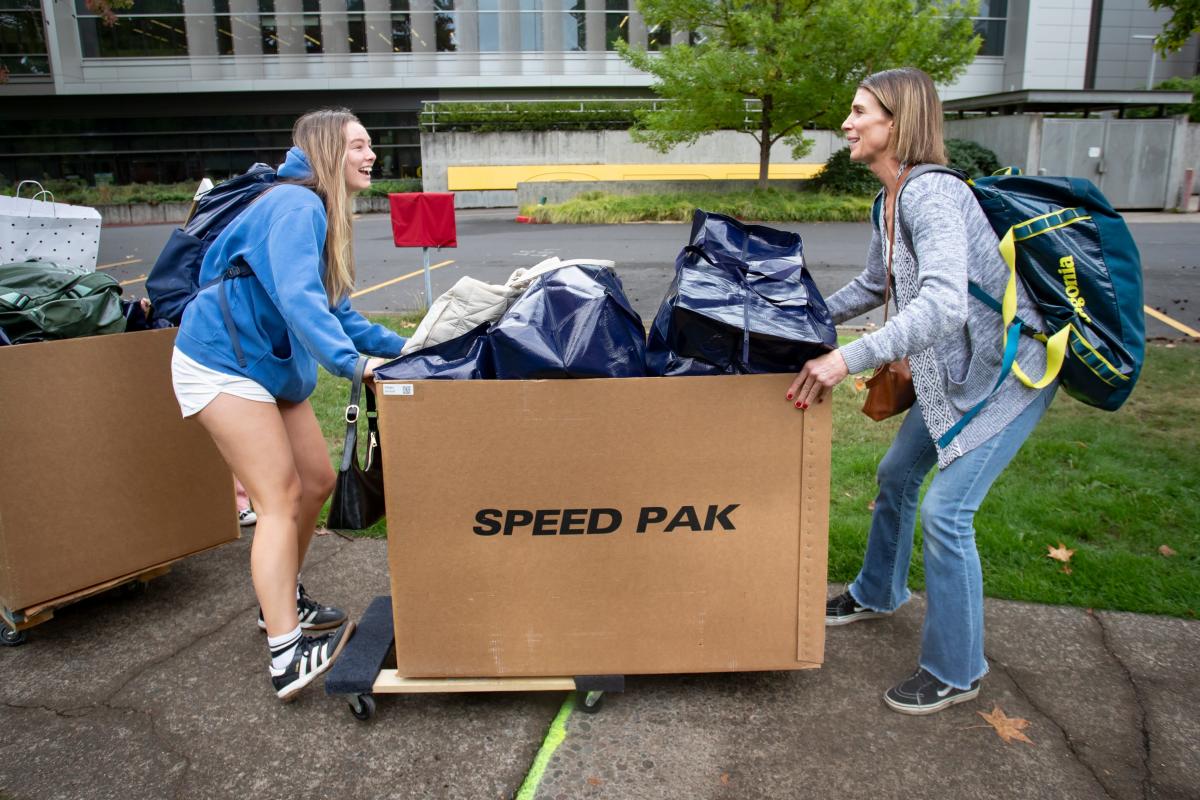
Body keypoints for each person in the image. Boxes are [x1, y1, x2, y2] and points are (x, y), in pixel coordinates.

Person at [786, 67, 1056, 715]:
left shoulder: (931, 196)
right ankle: (878, 591)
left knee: (947, 514)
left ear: (896, 123)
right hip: (949, 376)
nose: (846, 124)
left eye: (859, 112)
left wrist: (845, 360)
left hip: (1009, 376)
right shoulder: (890, 199)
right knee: (898, 473)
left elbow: (939, 305)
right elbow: (875, 286)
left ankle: (956, 669)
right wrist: (799, 322)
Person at [170, 108, 406, 701]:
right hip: (220, 363)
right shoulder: (296, 205)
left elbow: (339, 313)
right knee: (277, 498)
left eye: (369, 144)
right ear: (329, 150)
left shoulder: (317, 210)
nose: (370, 154)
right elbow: (302, 303)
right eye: (358, 145)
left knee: (317, 479)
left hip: (265, 366)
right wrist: (353, 366)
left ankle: (283, 599)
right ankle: (285, 653)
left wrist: (415, 350)